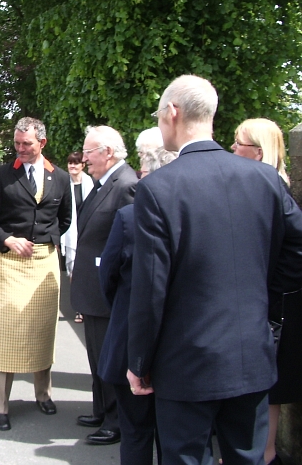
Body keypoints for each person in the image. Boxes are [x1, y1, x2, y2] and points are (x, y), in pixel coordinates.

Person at [128, 76, 302, 465]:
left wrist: (138, 362)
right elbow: (297, 248)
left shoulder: (158, 189)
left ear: (172, 112)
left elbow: (150, 289)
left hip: (184, 362)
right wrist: (265, 299)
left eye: (159, 115)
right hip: (252, 354)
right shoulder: (265, 178)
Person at [0, 117, 72, 431]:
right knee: (5, 334)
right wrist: (7, 239)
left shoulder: (61, 178)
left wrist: (46, 242)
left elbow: (65, 219)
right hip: (10, 262)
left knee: (43, 332)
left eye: (26, 144)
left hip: (45, 263)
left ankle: (43, 395)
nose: (20, 149)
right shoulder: (1, 176)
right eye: (17, 144)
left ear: (42, 143)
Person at [97, 143, 177, 465]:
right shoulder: (189, 214)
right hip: (178, 348)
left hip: (131, 339)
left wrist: (122, 307)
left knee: (135, 433)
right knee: (174, 438)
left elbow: (109, 273)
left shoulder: (129, 218)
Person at [232, 118, 302, 465]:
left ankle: (266, 454)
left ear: (258, 152)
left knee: (266, 389)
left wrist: (264, 289)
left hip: (272, 309)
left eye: (238, 143)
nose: (232, 149)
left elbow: (295, 249)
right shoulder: (263, 183)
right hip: (267, 305)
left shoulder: (272, 186)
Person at [71, 125, 138, 445]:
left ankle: (115, 421)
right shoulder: (102, 184)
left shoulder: (125, 185)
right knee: (97, 356)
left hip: (106, 292)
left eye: (88, 153)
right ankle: (101, 409)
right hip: (92, 290)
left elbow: (128, 243)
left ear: (107, 152)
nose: (84, 159)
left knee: (110, 358)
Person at [60, 151, 94, 324]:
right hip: (70, 235)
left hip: (87, 233)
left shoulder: (90, 184)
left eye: (76, 163)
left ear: (83, 165)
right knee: (74, 273)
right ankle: (79, 308)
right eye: (70, 163)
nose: (72, 166)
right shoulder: (64, 184)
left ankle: (86, 306)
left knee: (86, 272)